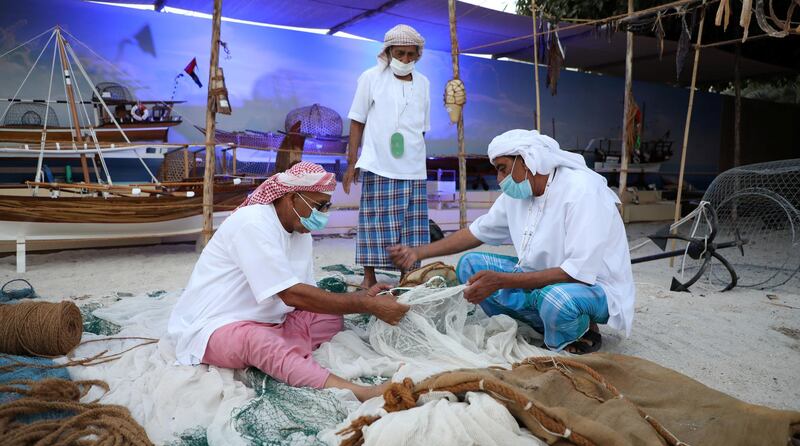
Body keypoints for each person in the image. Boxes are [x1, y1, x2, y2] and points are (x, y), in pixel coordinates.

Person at [168, 162, 409, 401]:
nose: (323, 215)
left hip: (273, 320)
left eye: (327, 207)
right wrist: (362, 304)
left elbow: (306, 295)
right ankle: (357, 391)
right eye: (319, 206)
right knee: (259, 341)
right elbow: (291, 295)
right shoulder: (253, 223)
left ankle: (283, 355)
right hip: (218, 325)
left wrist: (363, 299)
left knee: (330, 316)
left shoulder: (299, 230)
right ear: (292, 198)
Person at [389, 130, 635, 354]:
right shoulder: (517, 194)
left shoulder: (582, 191)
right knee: (470, 266)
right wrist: (417, 252)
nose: (499, 178)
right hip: (539, 279)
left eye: (503, 168)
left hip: (592, 287)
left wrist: (502, 281)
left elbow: (578, 273)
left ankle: (581, 330)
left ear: (527, 160)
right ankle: (539, 322)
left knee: (556, 300)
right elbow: (476, 232)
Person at [342, 24, 431, 289]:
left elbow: (422, 129)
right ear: (388, 51)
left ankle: (408, 276)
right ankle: (369, 276)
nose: (405, 60)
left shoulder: (424, 83)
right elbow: (357, 121)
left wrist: (416, 160)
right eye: (400, 53)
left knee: (412, 226)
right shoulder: (370, 77)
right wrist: (351, 163)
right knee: (374, 221)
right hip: (378, 164)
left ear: (418, 55)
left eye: (410, 55)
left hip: (414, 167)